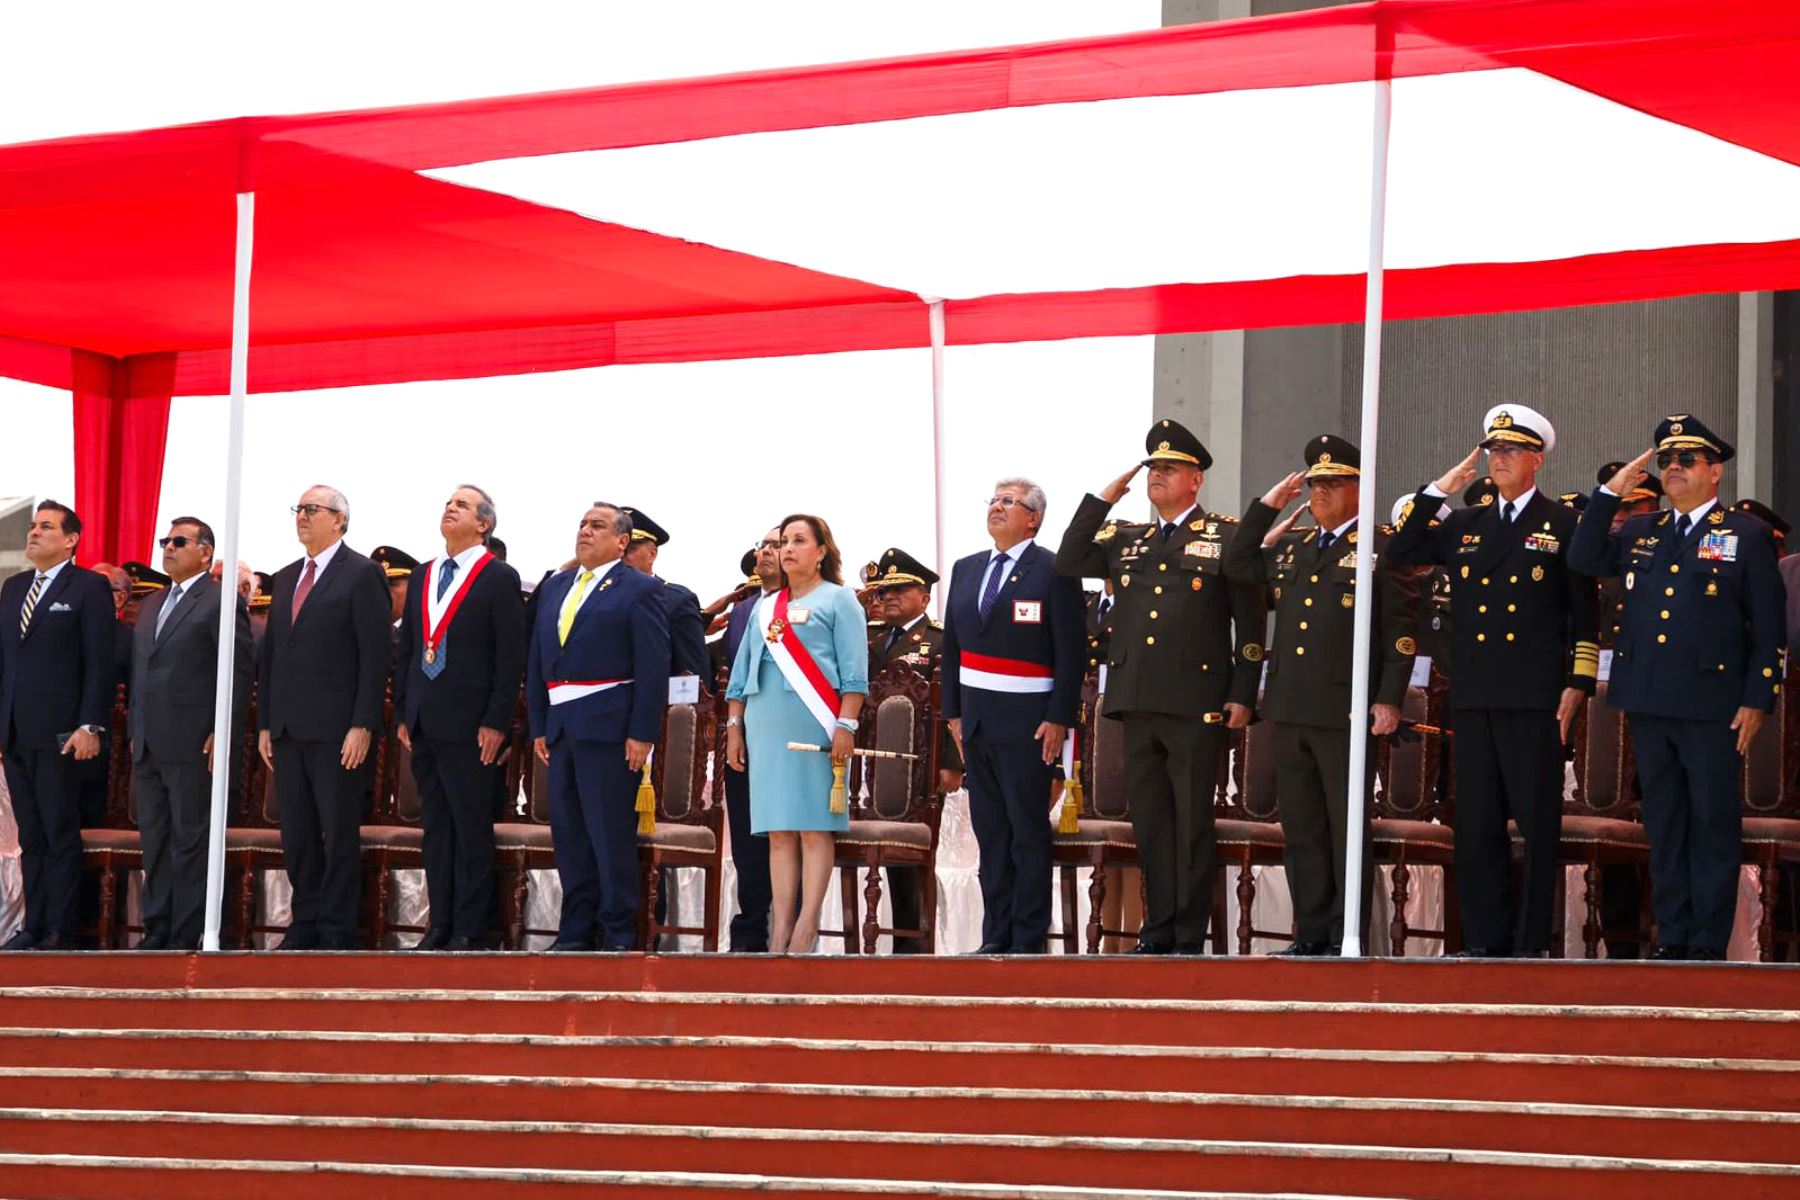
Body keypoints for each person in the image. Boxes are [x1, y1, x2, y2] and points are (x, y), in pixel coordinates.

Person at [1387, 405, 1599, 958]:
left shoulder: (1562, 524)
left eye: (1510, 451)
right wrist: (1439, 488)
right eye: (1492, 452)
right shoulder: (1465, 522)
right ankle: (1485, 941)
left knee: (1535, 825)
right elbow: (1402, 549)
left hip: (1534, 698)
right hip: (1475, 692)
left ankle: (1531, 945)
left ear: (1537, 459)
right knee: (1477, 827)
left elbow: (1584, 613)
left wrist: (1577, 684)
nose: (1498, 460)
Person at [1571, 418, 1785, 961]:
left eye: (1687, 460)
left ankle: (1707, 942)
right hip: (1647, 699)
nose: (1673, 468)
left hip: (1713, 705)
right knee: (1664, 822)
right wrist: (1608, 493)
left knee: (1711, 823)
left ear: (1715, 472)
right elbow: (1583, 558)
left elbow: (1768, 627)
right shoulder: (1644, 530)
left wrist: (1759, 698)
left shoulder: (1746, 535)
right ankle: (1673, 935)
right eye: (1667, 460)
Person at [1054, 420, 1265, 954]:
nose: (1157, 478)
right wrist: (1103, 498)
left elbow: (1251, 621)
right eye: (1152, 469)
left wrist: (1243, 689)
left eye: (1168, 469)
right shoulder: (1129, 537)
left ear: (1195, 479)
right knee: (1149, 821)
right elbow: (1069, 558)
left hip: (1197, 700)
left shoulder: (1225, 535)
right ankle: (1160, 927)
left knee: (1191, 821)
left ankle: (1189, 933)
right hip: (1135, 697)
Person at [1225, 436, 1417, 956]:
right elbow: (1236, 565)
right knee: (1303, 829)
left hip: (1345, 709)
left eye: (1333, 484)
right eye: (1314, 485)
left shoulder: (1381, 547)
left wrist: (1389, 698)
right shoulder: (1293, 545)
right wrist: (1268, 507)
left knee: (1344, 828)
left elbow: (1400, 633)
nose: (1320, 493)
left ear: (1359, 487)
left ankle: (1346, 934)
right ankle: (1310, 933)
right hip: (1289, 706)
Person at [942, 484, 1084, 955]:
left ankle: (1027, 940)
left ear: (1034, 519)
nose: (997, 507)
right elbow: (952, 651)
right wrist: (954, 714)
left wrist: (1060, 717)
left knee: (1027, 833)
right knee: (991, 836)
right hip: (977, 725)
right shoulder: (966, 570)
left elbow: (1071, 651)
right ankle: (994, 936)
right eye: (994, 500)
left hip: (1030, 725)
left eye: (1010, 502)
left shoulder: (1054, 570)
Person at [526, 503, 669, 952]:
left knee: (609, 835)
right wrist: (538, 723)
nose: (585, 531)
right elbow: (537, 659)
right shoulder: (557, 586)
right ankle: (575, 930)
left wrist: (643, 732)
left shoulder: (638, 589)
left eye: (597, 526)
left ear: (622, 540)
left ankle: (618, 932)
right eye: (583, 524)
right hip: (562, 728)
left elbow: (652, 664)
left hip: (609, 729)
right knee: (569, 835)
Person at [726, 514, 868, 955]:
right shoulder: (763, 607)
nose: (787, 549)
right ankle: (779, 929)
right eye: (783, 541)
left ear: (822, 551)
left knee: (812, 827)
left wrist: (846, 724)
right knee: (778, 831)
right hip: (765, 725)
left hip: (816, 724)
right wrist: (734, 727)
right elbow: (740, 674)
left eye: (799, 541)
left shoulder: (840, 601)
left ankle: (807, 926)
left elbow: (854, 675)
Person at [256, 485, 391, 950]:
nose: (302, 516)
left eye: (312, 509)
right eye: (298, 509)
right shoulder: (288, 576)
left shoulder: (362, 574)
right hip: (290, 728)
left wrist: (364, 723)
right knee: (297, 831)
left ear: (339, 519)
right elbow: (272, 656)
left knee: (336, 831)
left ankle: (336, 927)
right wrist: (267, 723)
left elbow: (374, 657)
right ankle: (305, 920)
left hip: (338, 728)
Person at [393, 487, 525, 951]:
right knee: (437, 829)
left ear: (484, 524)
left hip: (472, 725)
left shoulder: (498, 577)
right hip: (425, 721)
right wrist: (404, 711)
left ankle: (470, 927)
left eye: (463, 505)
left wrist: (496, 720)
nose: (450, 507)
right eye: (449, 502)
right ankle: (440, 923)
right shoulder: (425, 574)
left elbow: (509, 658)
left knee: (470, 828)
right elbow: (409, 647)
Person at [128, 517, 252, 950]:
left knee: (189, 838)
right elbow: (141, 671)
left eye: (179, 541)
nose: (168, 547)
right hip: (147, 741)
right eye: (165, 540)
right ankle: (156, 927)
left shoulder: (219, 601)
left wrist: (223, 730)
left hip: (194, 740)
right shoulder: (151, 603)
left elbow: (236, 672)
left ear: (206, 552)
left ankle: (186, 931)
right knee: (156, 840)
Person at [0, 501, 114, 951]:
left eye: (45, 527)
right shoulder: (12, 589)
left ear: (71, 539)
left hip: (63, 734)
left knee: (58, 830)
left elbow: (99, 664)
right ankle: (33, 923)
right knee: (30, 834)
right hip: (14, 732)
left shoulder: (88, 587)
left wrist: (91, 725)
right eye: (32, 526)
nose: (33, 533)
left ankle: (60, 929)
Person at [866, 545, 964, 955]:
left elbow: (951, 705)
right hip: (878, 767)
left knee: (919, 858)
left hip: (926, 767)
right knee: (890, 860)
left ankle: (919, 945)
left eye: (899, 590)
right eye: (884, 592)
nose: (888, 598)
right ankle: (902, 943)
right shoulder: (871, 638)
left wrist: (952, 763)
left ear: (924, 597)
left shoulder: (938, 640)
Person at [718, 533, 780, 951]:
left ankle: (790, 925)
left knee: (786, 835)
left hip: (791, 735)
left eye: (777, 544)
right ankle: (751, 926)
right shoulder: (742, 611)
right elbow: (730, 675)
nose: (766, 552)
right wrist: (733, 729)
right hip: (745, 734)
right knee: (746, 836)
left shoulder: (818, 603)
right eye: (763, 545)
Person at [620, 508, 710, 679]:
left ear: (652, 554)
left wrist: (683, 705)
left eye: (630, 549)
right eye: (619, 548)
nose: (622, 556)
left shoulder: (675, 600)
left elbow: (691, 671)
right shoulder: (595, 596)